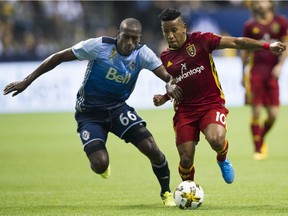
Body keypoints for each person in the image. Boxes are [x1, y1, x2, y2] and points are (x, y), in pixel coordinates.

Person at [3, 18, 183, 206]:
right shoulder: (98, 46)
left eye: (135, 39)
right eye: (126, 38)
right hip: (90, 113)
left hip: (117, 108)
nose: (130, 43)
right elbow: (58, 57)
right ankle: (101, 164)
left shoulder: (142, 53)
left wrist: (169, 86)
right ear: (118, 35)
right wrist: (27, 80)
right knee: (100, 164)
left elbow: (167, 76)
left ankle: (166, 193)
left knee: (151, 148)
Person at [153, 8, 286, 184]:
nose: (170, 35)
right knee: (186, 158)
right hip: (185, 111)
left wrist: (267, 46)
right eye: (166, 31)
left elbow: (237, 43)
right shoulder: (165, 57)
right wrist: (164, 96)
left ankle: (222, 158)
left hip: (211, 104)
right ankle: (189, 189)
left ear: (183, 27)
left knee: (216, 139)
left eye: (174, 30)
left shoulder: (202, 40)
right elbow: (177, 84)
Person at [241, 0, 288, 160]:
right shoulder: (250, 26)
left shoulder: (280, 23)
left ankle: (260, 137)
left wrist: (281, 65)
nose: (261, 4)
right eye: (258, 2)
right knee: (256, 110)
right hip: (255, 73)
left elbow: (286, 45)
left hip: (272, 74)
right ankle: (258, 148)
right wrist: (243, 73)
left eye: (264, 1)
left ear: (270, 4)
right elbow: (245, 50)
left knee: (274, 115)